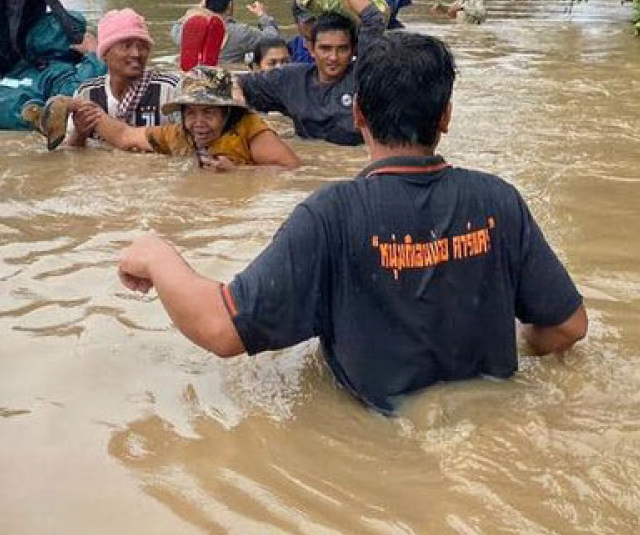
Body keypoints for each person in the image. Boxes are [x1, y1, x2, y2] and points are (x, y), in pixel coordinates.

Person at [116, 32, 588, 412]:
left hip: (383, 448)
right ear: (445, 116)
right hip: (495, 428)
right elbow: (569, 327)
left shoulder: (331, 215)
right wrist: (520, 345)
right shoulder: (498, 199)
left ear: (358, 112)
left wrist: (156, 253)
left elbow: (221, 329)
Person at [236, 0, 386, 146]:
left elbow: (373, 20)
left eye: (342, 49)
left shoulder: (363, 75)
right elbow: (233, 84)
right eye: (325, 48)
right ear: (310, 48)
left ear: (354, 49)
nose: (333, 57)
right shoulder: (290, 79)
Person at [68, 66, 299, 170]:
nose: (198, 123)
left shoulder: (250, 129)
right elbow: (125, 136)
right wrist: (85, 108)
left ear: (226, 111)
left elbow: (293, 170)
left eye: (208, 112)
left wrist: (240, 172)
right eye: (190, 112)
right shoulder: (178, 134)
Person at [54, 8, 180, 150]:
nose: (136, 54)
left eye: (143, 46)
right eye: (126, 46)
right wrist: (80, 134)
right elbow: (72, 152)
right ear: (105, 54)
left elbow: (186, 144)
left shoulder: (170, 90)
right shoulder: (88, 93)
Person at [170, 0, 281, 68]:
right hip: (226, 75)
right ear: (230, 5)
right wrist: (262, 15)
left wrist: (198, 9)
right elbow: (273, 40)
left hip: (193, 76)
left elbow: (179, 24)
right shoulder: (242, 33)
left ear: (205, 2)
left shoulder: (182, 30)